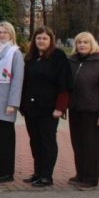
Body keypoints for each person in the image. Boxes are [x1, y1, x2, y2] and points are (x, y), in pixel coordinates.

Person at [20, 26, 71, 188]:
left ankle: (46, 175)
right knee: (35, 141)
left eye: (44, 38)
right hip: (31, 108)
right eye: (38, 38)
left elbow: (64, 84)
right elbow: (25, 83)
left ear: (51, 40)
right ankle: (37, 172)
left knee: (47, 141)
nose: (41, 41)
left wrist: (60, 108)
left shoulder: (58, 57)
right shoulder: (31, 57)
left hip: (49, 108)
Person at [67, 32, 99, 191]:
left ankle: (91, 178)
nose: (82, 45)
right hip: (75, 109)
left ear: (92, 44)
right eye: (79, 42)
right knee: (77, 143)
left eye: (85, 42)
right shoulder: (72, 61)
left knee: (91, 145)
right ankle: (80, 174)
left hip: (92, 111)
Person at [0, 22, 24, 183]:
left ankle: (6, 172)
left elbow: (17, 80)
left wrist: (13, 103)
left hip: (6, 102)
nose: (2, 35)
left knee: (5, 137)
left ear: (11, 34)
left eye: (5, 32)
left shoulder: (15, 54)